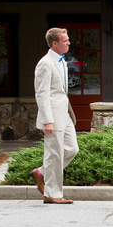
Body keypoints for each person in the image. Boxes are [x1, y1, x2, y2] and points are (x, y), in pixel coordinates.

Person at [33, 27, 79, 204]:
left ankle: (42, 172)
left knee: (72, 149)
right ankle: (53, 194)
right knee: (55, 154)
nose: (68, 43)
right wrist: (47, 121)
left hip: (64, 114)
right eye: (65, 41)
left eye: (68, 40)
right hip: (52, 117)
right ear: (54, 43)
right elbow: (42, 93)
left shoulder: (62, 61)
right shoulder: (45, 63)